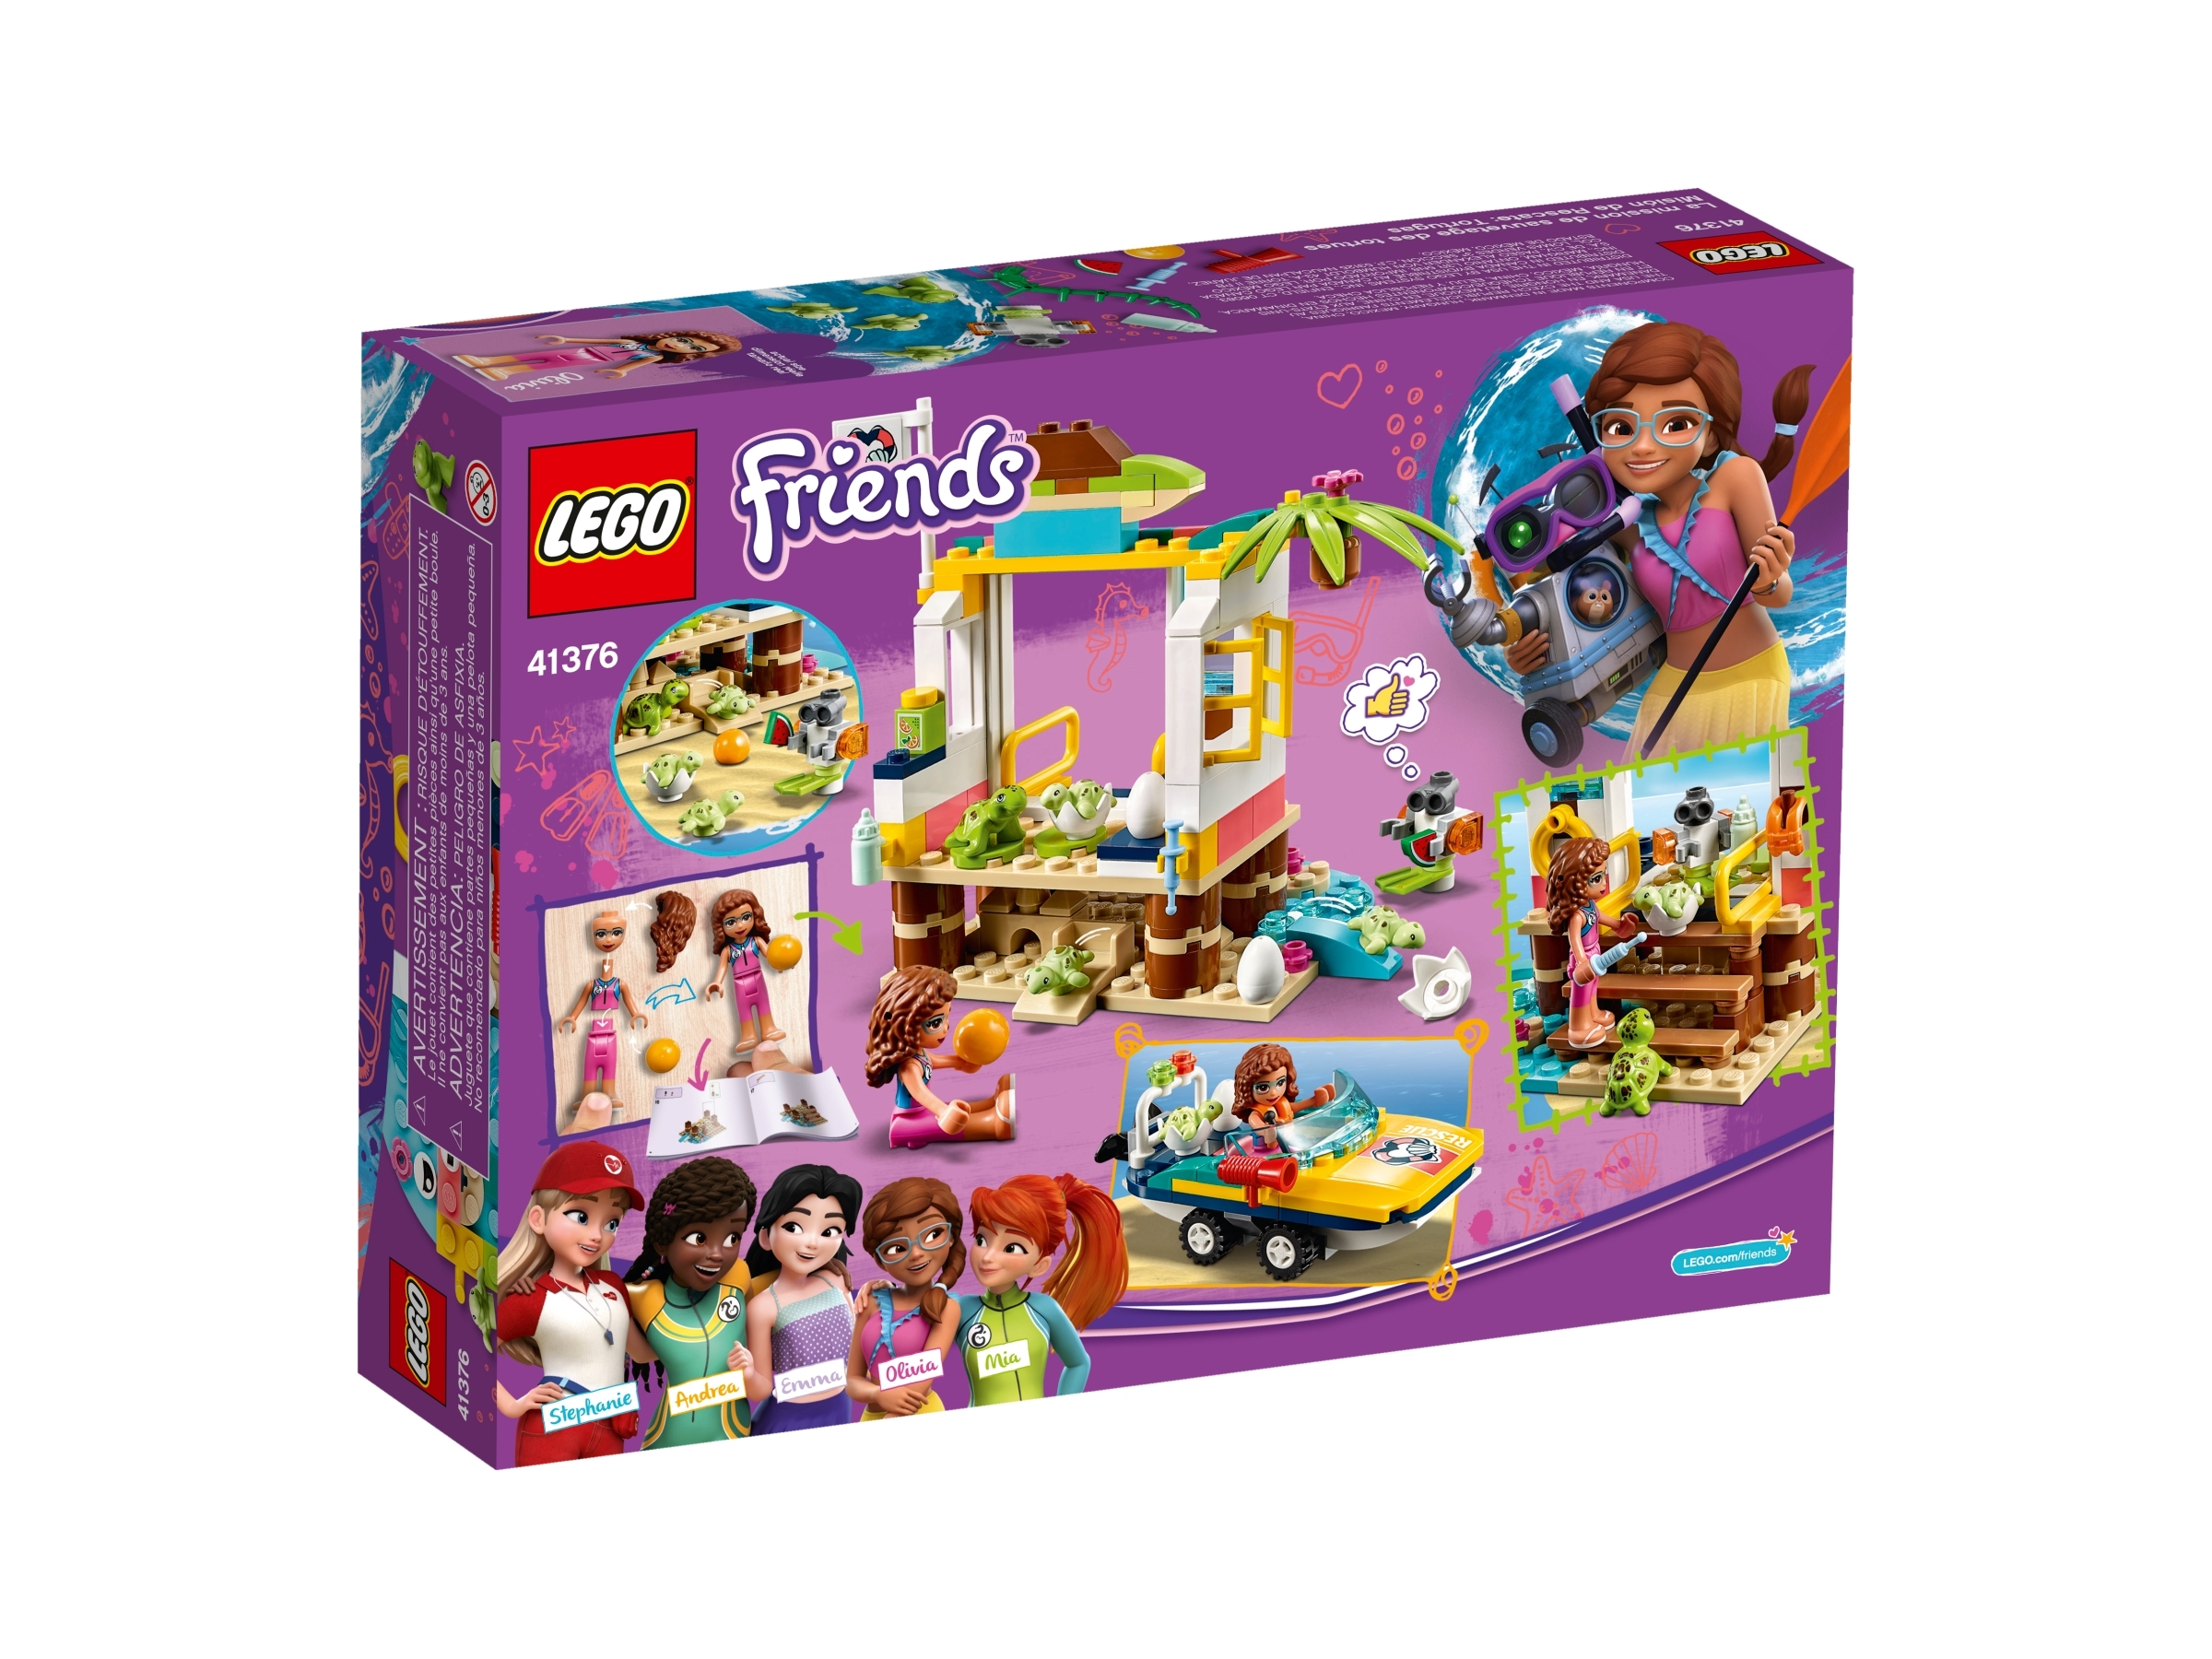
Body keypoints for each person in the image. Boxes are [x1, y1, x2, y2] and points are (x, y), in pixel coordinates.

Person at [1503, 323, 1813, 757]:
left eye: (1676, 423)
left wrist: (1769, 578)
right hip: (1672, 688)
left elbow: (1780, 594)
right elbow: (1553, 583)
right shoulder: (1625, 523)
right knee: (1646, 800)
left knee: (1734, 798)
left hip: (1750, 677)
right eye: (1620, 426)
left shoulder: (1735, 477)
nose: (1643, 446)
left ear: (1710, 435)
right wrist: (1521, 648)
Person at [492, 1141, 646, 1464]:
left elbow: (643, 1352)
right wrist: (511, 1405)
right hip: (553, 1427)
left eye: (612, 1223)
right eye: (581, 1216)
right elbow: (470, 1347)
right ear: (538, 1219)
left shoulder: (614, 1287)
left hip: (611, 1429)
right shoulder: (531, 1297)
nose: (597, 1235)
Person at [621, 1156, 759, 1448]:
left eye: (732, 1238)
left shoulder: (739, 1276)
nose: (717, 1254)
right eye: (698, 1238)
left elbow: (773, 1299)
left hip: (736, 1435)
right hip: (667, 1442)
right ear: (663, 1242)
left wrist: (825, 1269)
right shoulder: (642, 1297)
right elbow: (643, 1355)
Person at [956, 1174, 1126, 1405]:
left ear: (1039, 1265)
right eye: (981, 1240)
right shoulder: (961, 1310)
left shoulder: (1043, 1309)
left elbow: (1078, 1363)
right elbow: (920, 1352)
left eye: (1012, 1247)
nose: (987, 1257)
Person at [742, 1164, 863, 1433]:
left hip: (840, 1407)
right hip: (787, 1420)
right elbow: (761, 1389)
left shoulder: (835, 1280)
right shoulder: (763, 1306)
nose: (813, 1243)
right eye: (794, 1227)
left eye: (829, 1231)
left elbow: (858, 1344)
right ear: (765, 1236)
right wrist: (747, 1372)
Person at [845, 1178, 965, 1420]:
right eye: (896, 1248)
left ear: (951, 1237)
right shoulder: (872, 1301)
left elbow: (923, 1379)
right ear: (879, 1260)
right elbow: (852, 1380)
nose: (917, 1253)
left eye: (933, 1234)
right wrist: (877, 1394)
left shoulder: (947, 1307)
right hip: (871, 1417)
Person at [865, 966, 1016, 1147]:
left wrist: (960, 1062)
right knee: (951, 1123)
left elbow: (934, 1061)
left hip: (921, 1111)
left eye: (946, 1017)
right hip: (909, 1119)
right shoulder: (909, 1067)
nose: (946, 1028)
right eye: (935, 1023)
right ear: (905, 1026)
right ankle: (994, 1123)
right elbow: (921, 1093)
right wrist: (942, 1111)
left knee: (958, 1108)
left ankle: (990, 1103)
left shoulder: (919, 1054)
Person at [1547, 836, 1626, 1049]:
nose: (1604, 884)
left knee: (1592, 987)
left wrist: (1619, 925)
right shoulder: (1577, 915)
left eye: (1603, 875)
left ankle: (1594, 1014)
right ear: (1575, 883)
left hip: (1595, 954)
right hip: (1584, 958)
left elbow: (1601, 918)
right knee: (1581, 992)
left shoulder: (1590, 905)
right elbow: (1574, 939)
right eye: (1596, 879)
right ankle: (1578, 1027)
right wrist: (1582, 961)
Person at [703, 888, 785, 1066]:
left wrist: (780, 963)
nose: (740, 926)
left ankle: (769, 1029)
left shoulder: (756, 941)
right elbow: (722, 967)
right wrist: (716, 982)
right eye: (731, 922)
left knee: (763, 1005)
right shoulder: (728, 950)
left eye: (746, 917)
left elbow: (770, 955)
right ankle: (748, 1035)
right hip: (739, 984)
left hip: (758, 978)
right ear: (721, 927)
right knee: (744, 1010)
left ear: (755, 916)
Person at [1221, 1042, 1333, 1154]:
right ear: (1248, 1089)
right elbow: (1257, 1125)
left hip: (1286, 1145)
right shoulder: (1256, 1114)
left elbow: (1293, 1108)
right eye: (1263, 1087)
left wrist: (1314, 1100)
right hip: (1262, 1152)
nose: (1274, 1092)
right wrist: (1267, 1131)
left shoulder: (1281, 1103)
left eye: (1280, 1083)